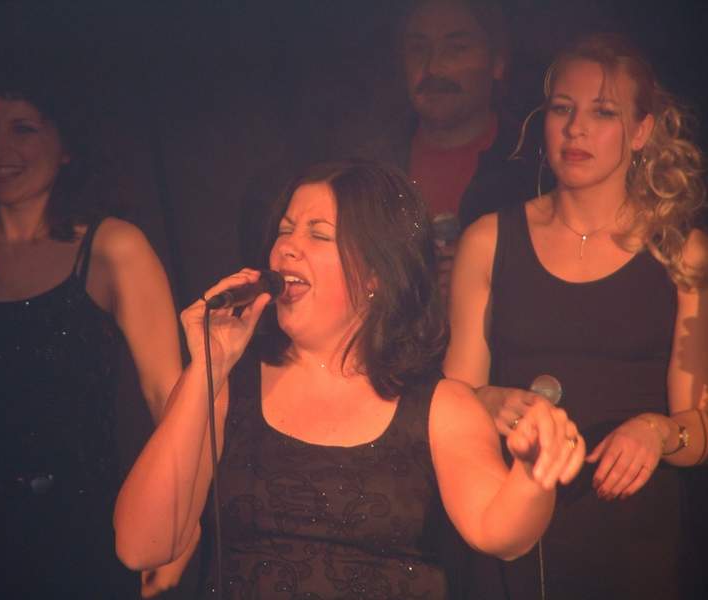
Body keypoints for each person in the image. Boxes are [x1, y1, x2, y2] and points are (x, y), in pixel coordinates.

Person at [114, 159, 586, 599]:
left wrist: (532, 476)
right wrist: (207, 367)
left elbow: (499, 534)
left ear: (377, 273)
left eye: (319, 234)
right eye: (285, 230)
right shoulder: (227, 386)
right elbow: (139, 547)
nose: (287, 247)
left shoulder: (441, 407)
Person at [444, 33, 708, 599]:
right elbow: (449, 401)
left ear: (641, 130)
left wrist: (658, 431)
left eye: (603, 112)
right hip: (512, 529)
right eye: (562, 109)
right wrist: (487, 401)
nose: (576, 129)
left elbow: (699, 428)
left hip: (632, 546)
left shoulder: (681, 253)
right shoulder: (489, 240)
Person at [0, 62, 183, 598]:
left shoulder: (113, 248)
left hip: (83, 535)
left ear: (67, 145)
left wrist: (180, 524)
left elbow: (169, 401)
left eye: (23, 128)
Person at [358, 0, 537, 300]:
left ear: (497, 63)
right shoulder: (370, 169)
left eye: (456, 49)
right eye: (418, 49)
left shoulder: (534, 169)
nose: (433, 67)